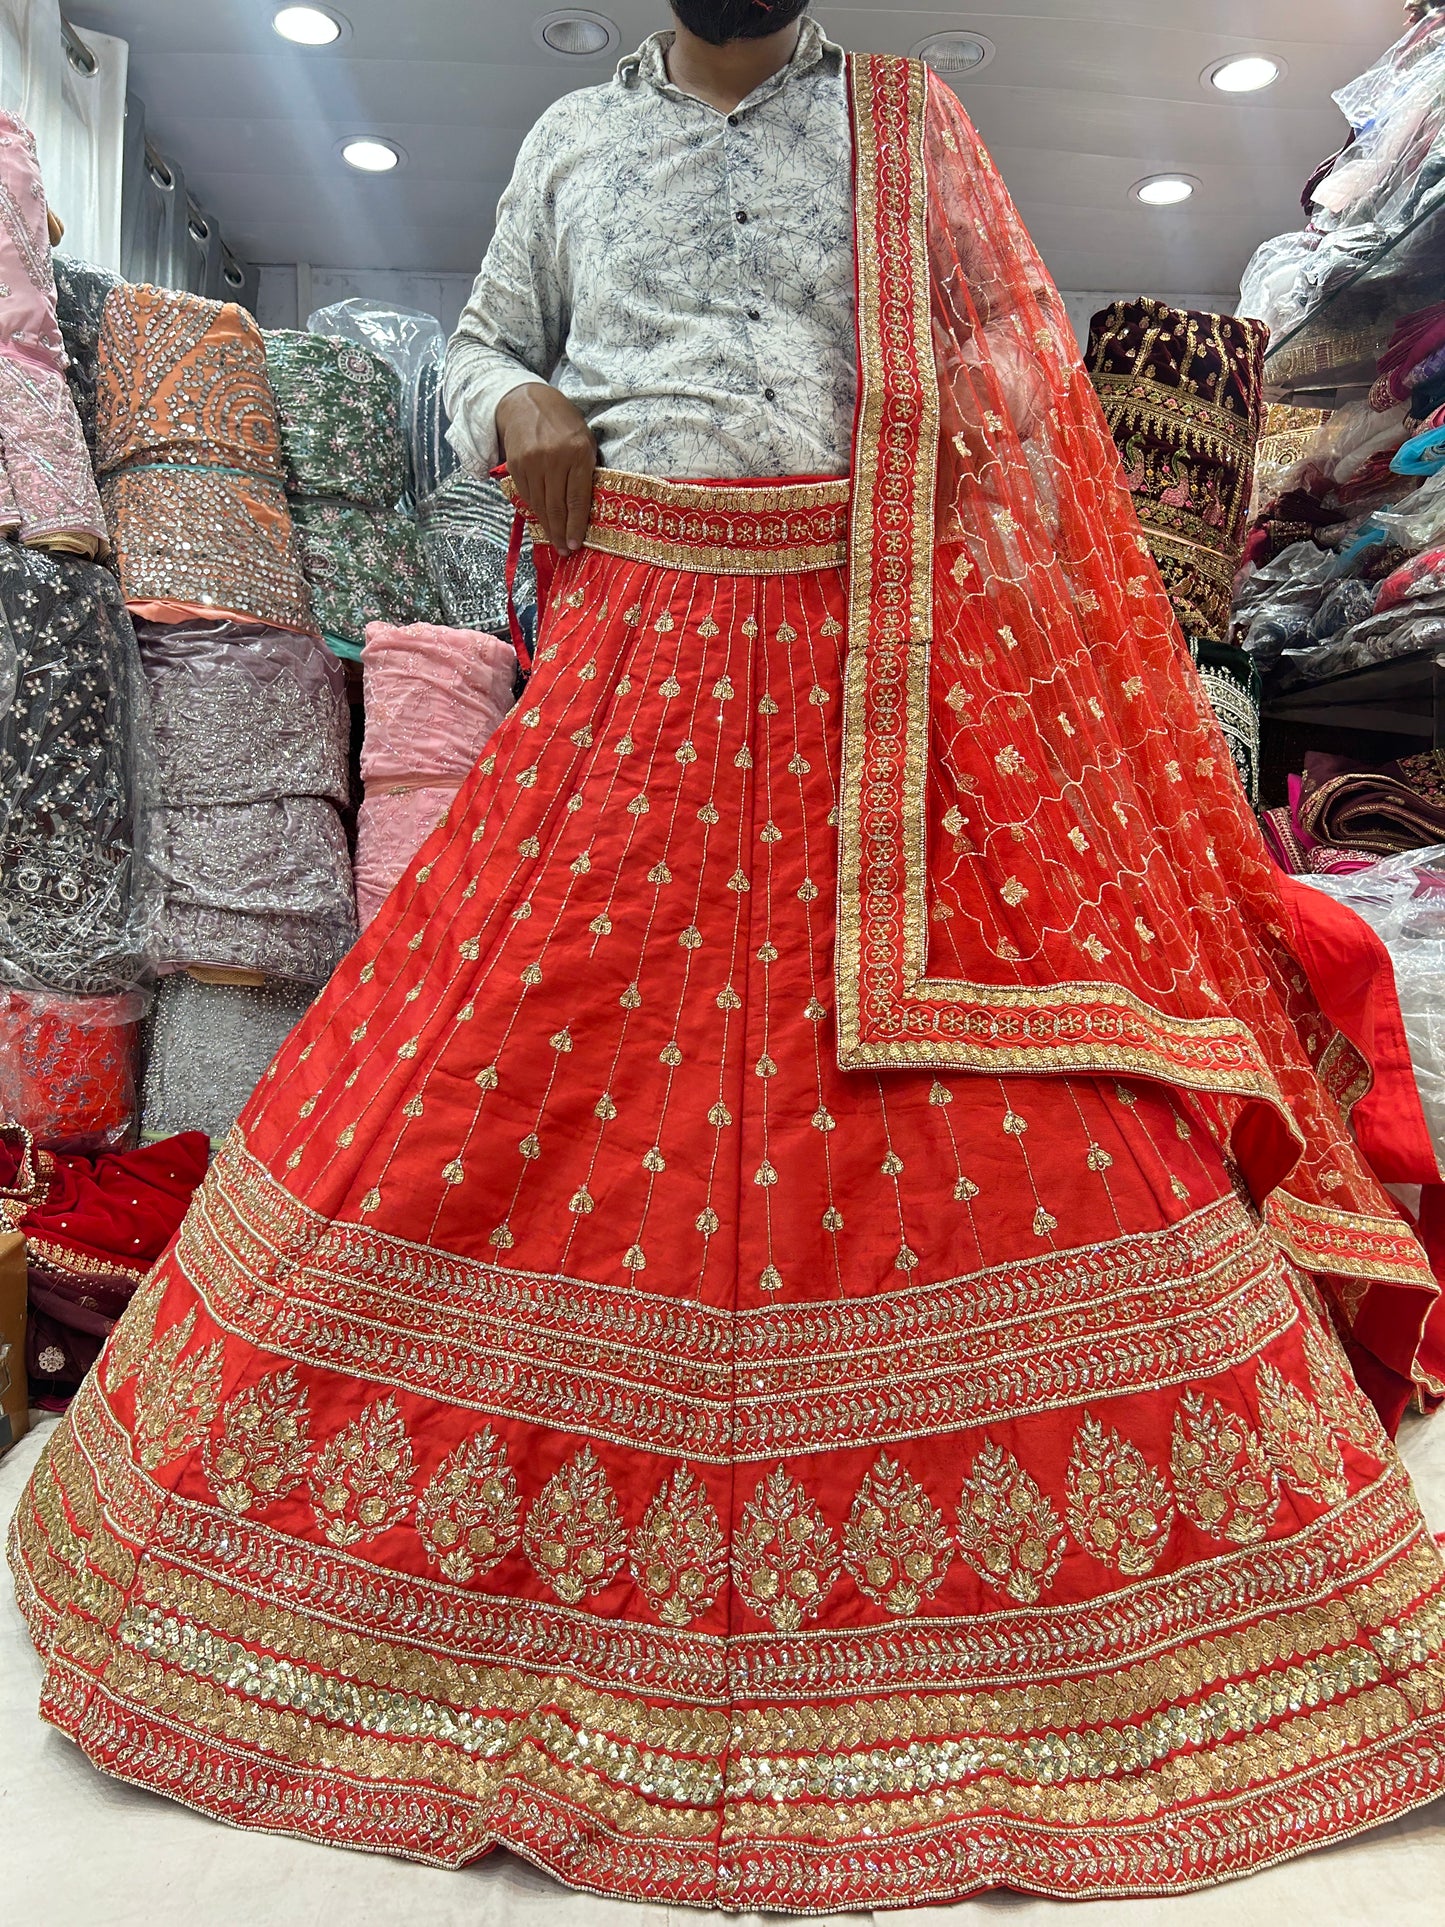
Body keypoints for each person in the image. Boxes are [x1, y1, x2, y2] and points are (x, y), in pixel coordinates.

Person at [13, 2, 1445, 1910]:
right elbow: (486, 350)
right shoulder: (565, 149)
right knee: (489, 1068)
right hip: (635, 662)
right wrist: (510, 401)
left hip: (871, 678)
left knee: (997, 1117)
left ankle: (1109, 1640)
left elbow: (1011, 384)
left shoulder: (905, 123)